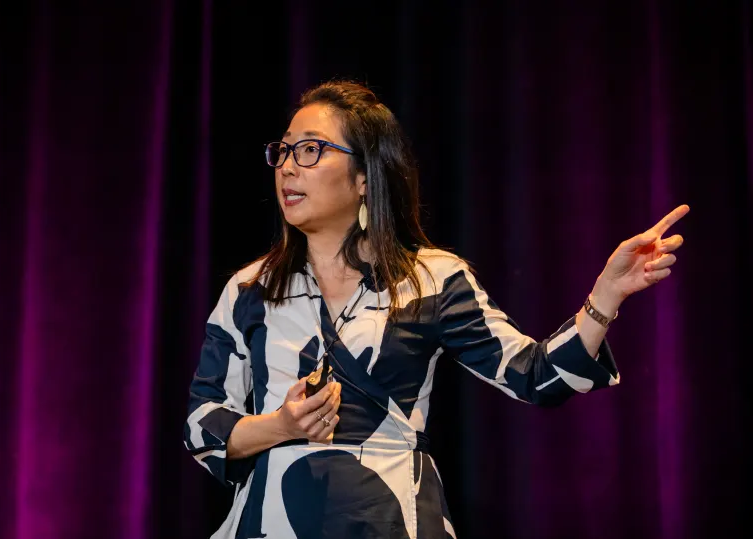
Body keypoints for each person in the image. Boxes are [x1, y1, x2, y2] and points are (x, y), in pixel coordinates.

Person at [183, 80, 688, 538]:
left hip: (393, 520)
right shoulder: (251, 288)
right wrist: (283, 427)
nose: (289, 166)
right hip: (272, 521)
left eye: (311, 150)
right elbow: (201, 425)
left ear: (364, 176)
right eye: (284, 150)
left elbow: (536, 378)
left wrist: (605, 295)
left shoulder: (431, 279)